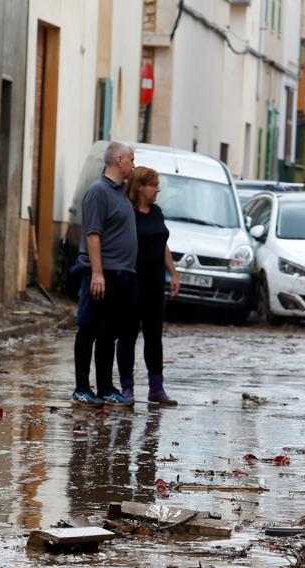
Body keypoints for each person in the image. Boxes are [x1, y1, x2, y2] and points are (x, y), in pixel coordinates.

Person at [72, 141, 138, 408]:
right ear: (119, 160)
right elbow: (93, 235)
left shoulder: (121, 192)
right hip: (103, 274)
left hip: (121, 274)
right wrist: (97, 273)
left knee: (109, 332)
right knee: (89, 329)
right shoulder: (98, 192)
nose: (134, 165)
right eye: (131, 160)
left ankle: (105, 387)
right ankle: (81, 388)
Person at [117, 166, 181, 405]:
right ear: (140, 188)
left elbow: (163, 244)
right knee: (128, 336)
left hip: (155, 285)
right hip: (132, 284)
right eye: (154, 184)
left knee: (154, 336)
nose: (158, 189)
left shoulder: (157, 212)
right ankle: (127, 388)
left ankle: (157, 388)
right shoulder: (126, 213)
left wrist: (173, 274)